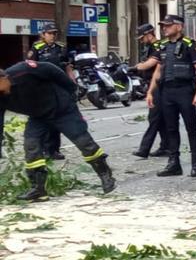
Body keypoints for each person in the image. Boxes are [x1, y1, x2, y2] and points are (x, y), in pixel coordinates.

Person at [0, 61, 115, 201]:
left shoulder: (23, 70)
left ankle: (105, 175)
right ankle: (39, 189)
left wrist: (71, 90)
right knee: (31, 147)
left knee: (84, 143)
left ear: (4, 78)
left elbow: (49, 68)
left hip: (62, 110)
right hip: (38, 117)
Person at [147, 14, 196, 178]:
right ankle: (174, 164)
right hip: (167, 92)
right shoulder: (163, 46)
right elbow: (158, 71)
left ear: (179, 27)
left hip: (185, 91)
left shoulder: (190, 45)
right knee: (171, 129)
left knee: (191, 128)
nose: (164, 28)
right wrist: (150, 92)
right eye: (163, 25)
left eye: (168, 25)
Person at [27, 24, 74, 161]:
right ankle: (43, 149)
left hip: (58, 87)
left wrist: (71, 83)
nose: (52, 35)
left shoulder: (60, 48)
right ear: (43, 35)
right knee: (44, 120)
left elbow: (67, 66)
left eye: (54, 33)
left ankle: (54, 150)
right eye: (50, 33)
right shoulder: (36, 48)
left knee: (56, 120)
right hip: (42, 88)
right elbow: (30, 67)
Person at [130, 23, 166, 158]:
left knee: (154, 117)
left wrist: (137, 67)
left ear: (149, 34)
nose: (141, 40)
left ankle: (144, 149)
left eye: (142, 37)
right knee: (161, 119)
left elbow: (151, 63)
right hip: (152, 84)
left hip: (157, 85)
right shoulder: (149, 47)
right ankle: (166, 147)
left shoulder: (158, 46)